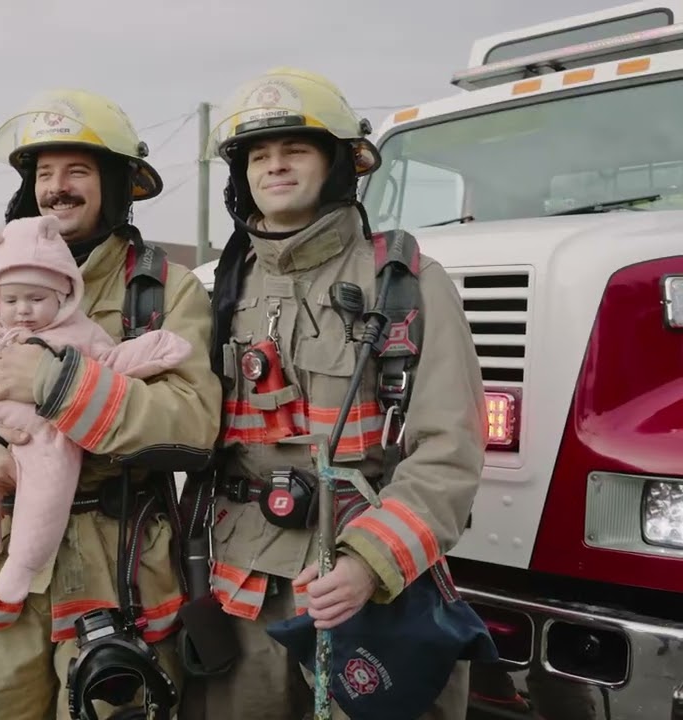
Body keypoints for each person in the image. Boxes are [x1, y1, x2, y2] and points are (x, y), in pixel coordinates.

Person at [0, 88, 223, 719]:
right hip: (0, 564)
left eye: (77, 171)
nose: (57, 188)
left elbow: (193, 423)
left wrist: (60, 386)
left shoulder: (163, 291)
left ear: (115, 183)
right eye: (44, 173)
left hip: (118, 571)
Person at [178, 67, 488, 720]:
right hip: (239, 590)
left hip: (366, 588)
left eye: (295, 149)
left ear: (338, 164)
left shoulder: (406, 283)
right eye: (258, 155)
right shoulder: (218, 290)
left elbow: (449, 450)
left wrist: (368, 563)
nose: (275, 165)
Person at [0, 213, 192, 603]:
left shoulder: (95, 323)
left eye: (36, 300)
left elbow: (113, 362)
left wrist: (149, 350)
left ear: (62, 296)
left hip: (50, 439)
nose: (23, 310)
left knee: (44, 496)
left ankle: (24, 561)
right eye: (10, 301)